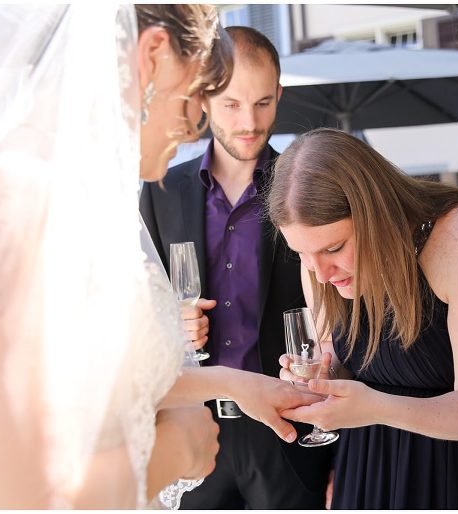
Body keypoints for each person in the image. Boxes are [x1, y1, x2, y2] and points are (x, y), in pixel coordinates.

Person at [0, 5, 319, 509]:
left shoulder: (85, 199)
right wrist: (176, 453)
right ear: (152, 55)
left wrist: (231, 383)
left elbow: (103, 384)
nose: (200, 122)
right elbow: (19, 495)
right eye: (201, 92)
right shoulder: (22, 198)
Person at [267, 128, 458, 509]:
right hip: (370, 471)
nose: (320, 273)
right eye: (302, 254)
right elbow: (338, 358)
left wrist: (374, 406)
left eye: (334, 248)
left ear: (376, 212)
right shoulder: (318, 266)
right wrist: (324, 378)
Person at [140, 26, 333, 509]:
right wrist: (172, 323)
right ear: (204, 96)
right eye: (231, 104)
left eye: (264, 103)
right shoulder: (160, 191)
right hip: (194, 432)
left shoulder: (310, 186)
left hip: (289, 432)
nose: (249, 121)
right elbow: (144, 311)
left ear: (280, 94)